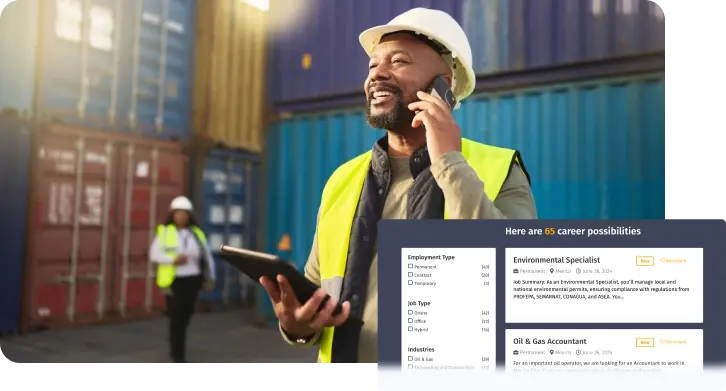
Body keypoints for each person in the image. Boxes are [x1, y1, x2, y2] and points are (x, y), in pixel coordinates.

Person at [260, 8, 538, 366]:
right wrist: (296, 325)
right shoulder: (344, 179)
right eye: (373, 65)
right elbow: (316, 293)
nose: (377, 74)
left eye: (399, 61)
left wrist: (449, 162)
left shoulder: (498, 169)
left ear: (444, 87)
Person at [150, 196, 216, 368]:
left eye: (184, 213)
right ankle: (176, 356)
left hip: (192, 281)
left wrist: (211, 277)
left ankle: (178, 353)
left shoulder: (197, 233)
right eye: (178, 213)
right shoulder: (164, 232)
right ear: (172, 215)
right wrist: (173, 260)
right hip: (174, 282)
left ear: (189, 215)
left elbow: (207, 256)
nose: (181, 216)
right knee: (177, 319)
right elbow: (154, 255)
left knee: (186, 317)